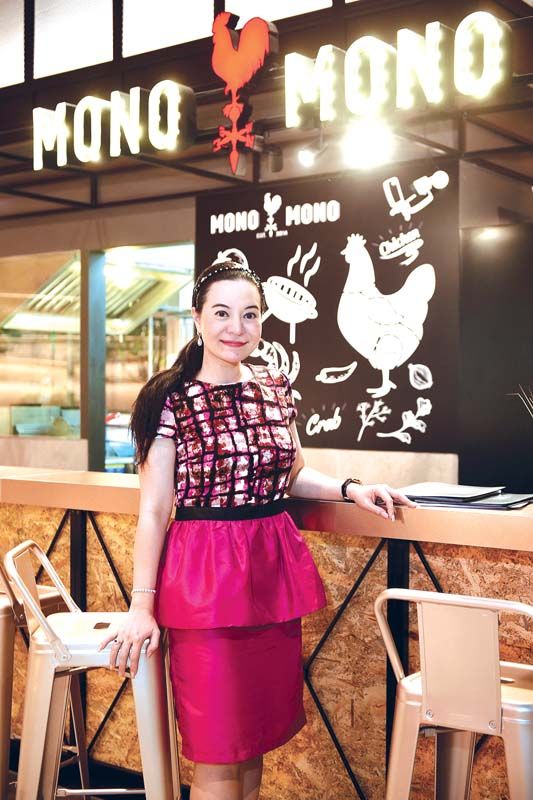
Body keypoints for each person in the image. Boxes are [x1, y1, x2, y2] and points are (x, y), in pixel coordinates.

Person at [99, 257, 416, 800]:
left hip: (270, 574)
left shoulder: (274, 385)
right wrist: (141, 605)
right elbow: (154, 509)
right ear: (197, 317)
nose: (236, 327)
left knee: (254, 744)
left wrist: (350, 489)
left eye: (249, 315)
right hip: (204, 581)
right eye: (222, 313)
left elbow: (291, 473)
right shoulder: (168, 398)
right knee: (219, 752)